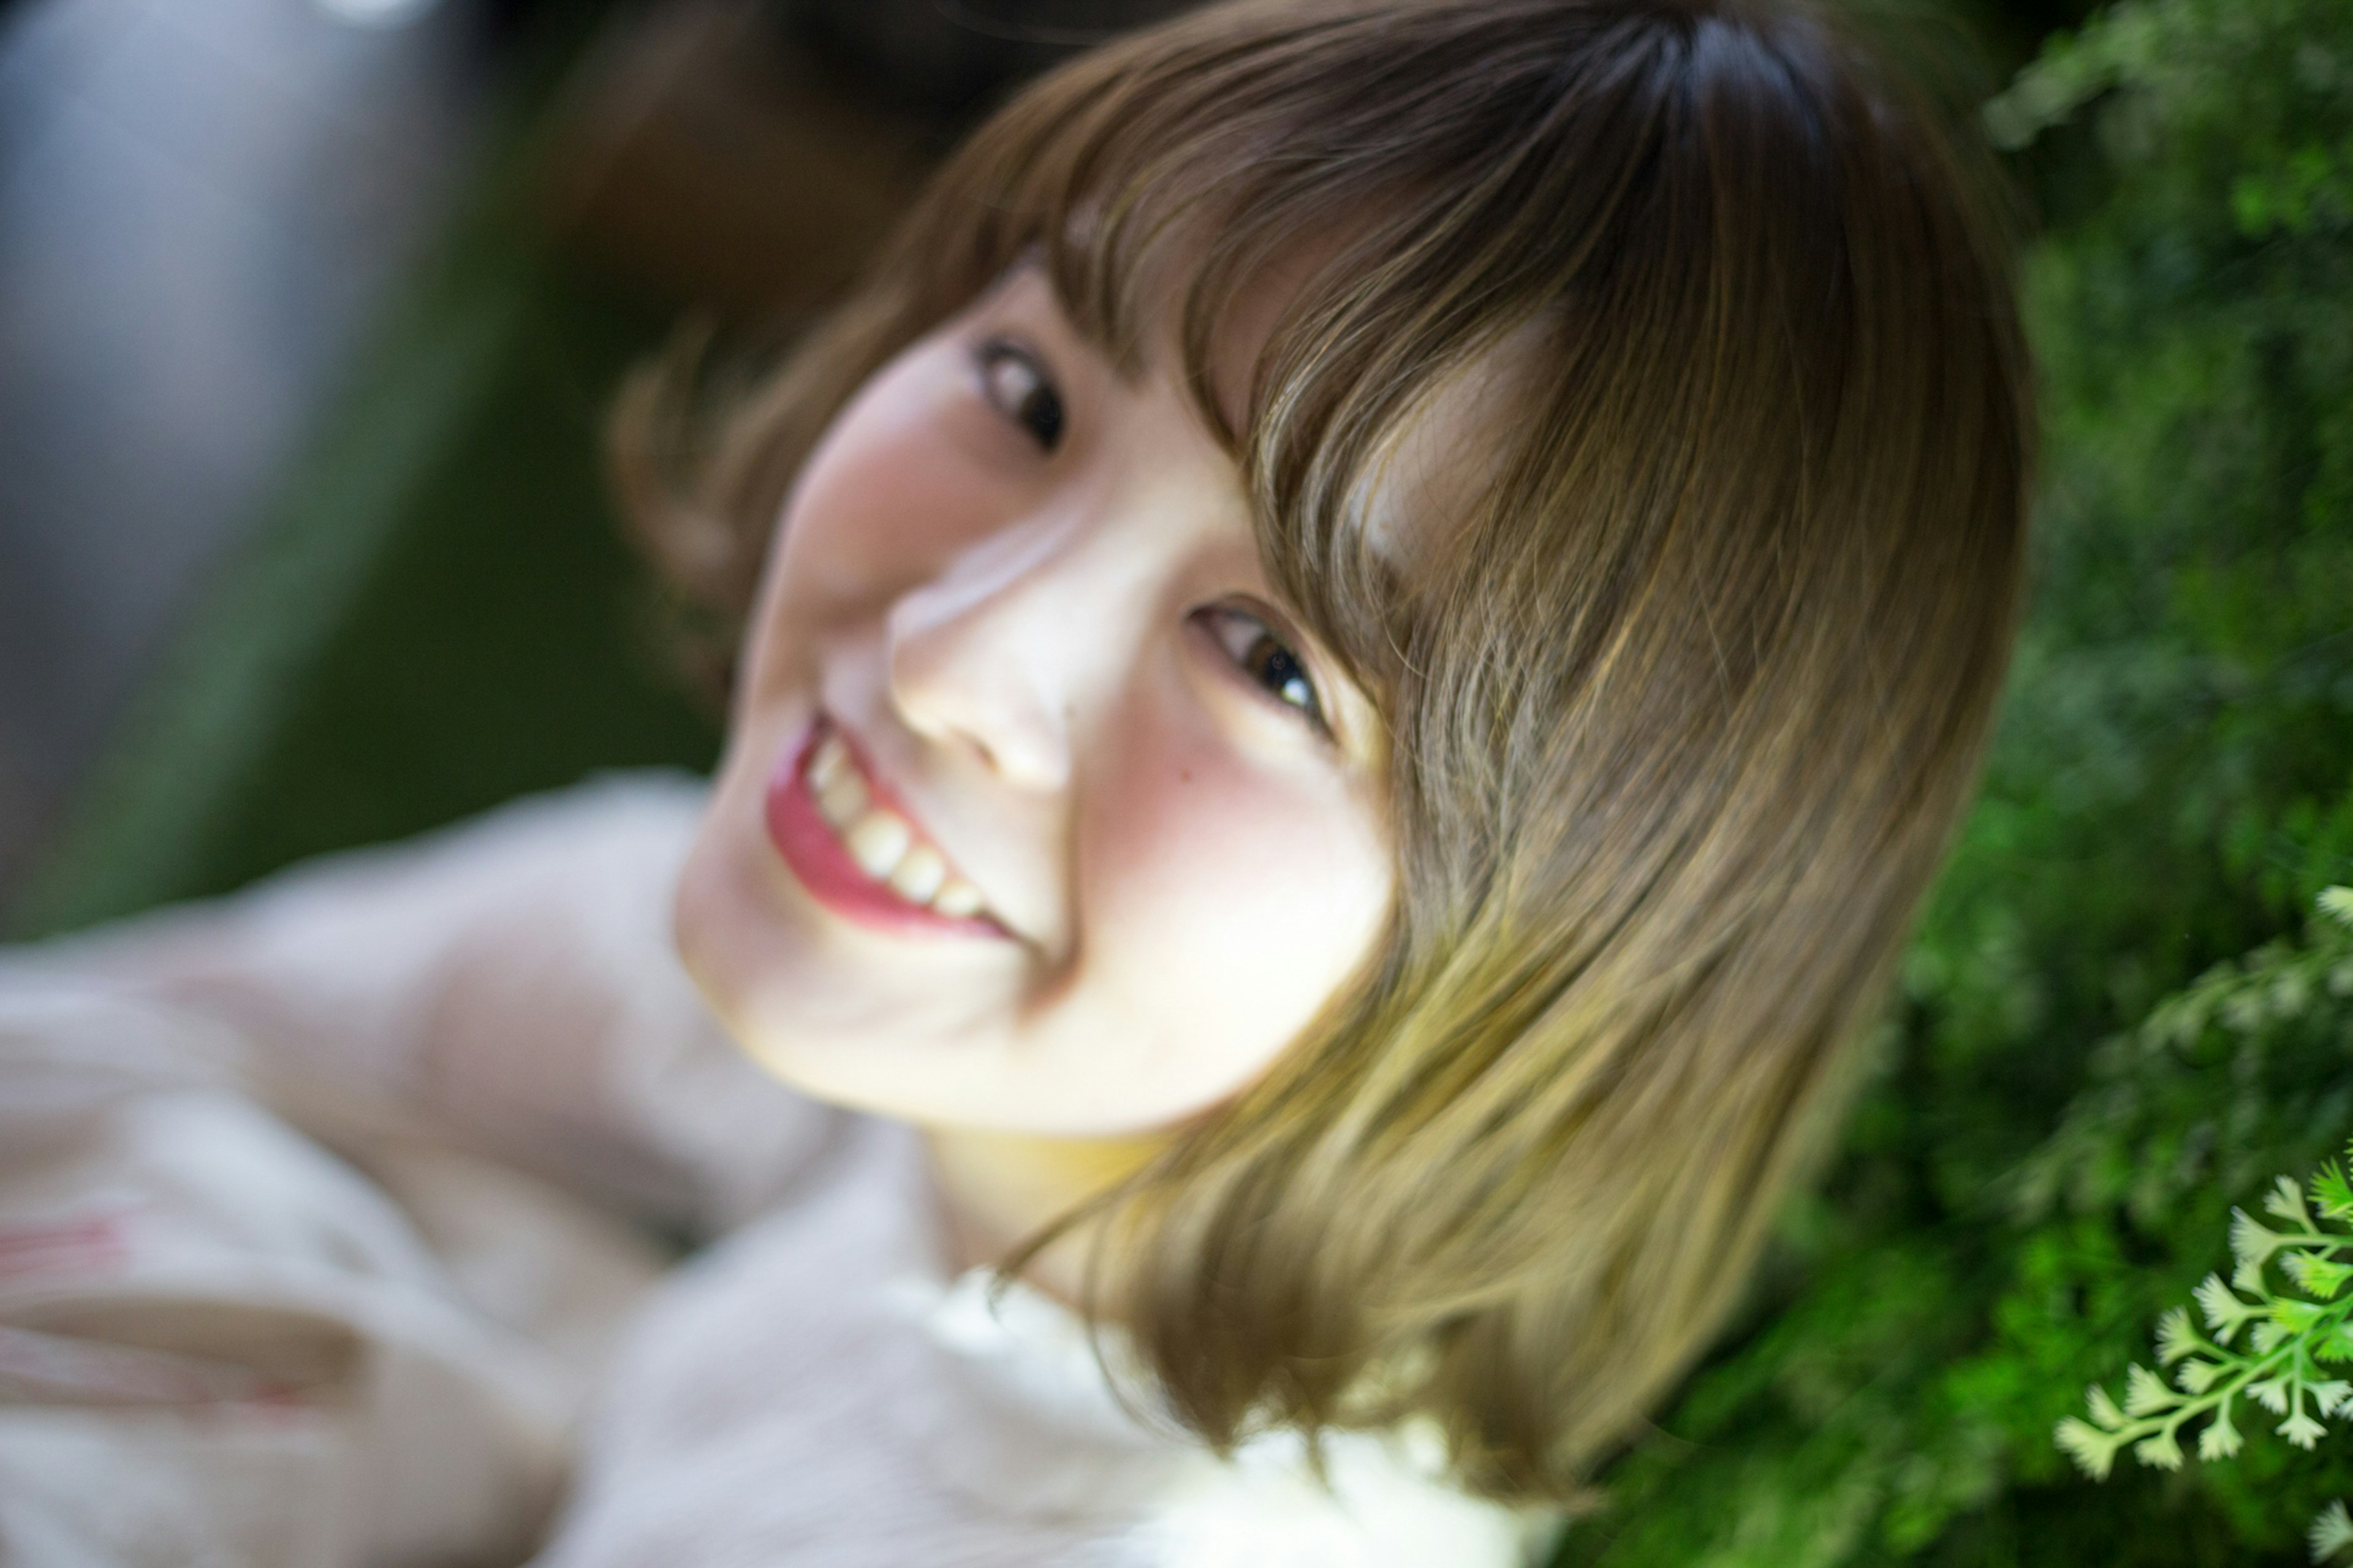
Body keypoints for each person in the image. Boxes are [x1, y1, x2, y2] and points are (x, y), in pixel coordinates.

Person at [0, 0, 2030, 1561]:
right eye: (1029, 391)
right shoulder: (1002, 1128)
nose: (961, 652)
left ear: (1596, 928)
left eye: (1273, 663)